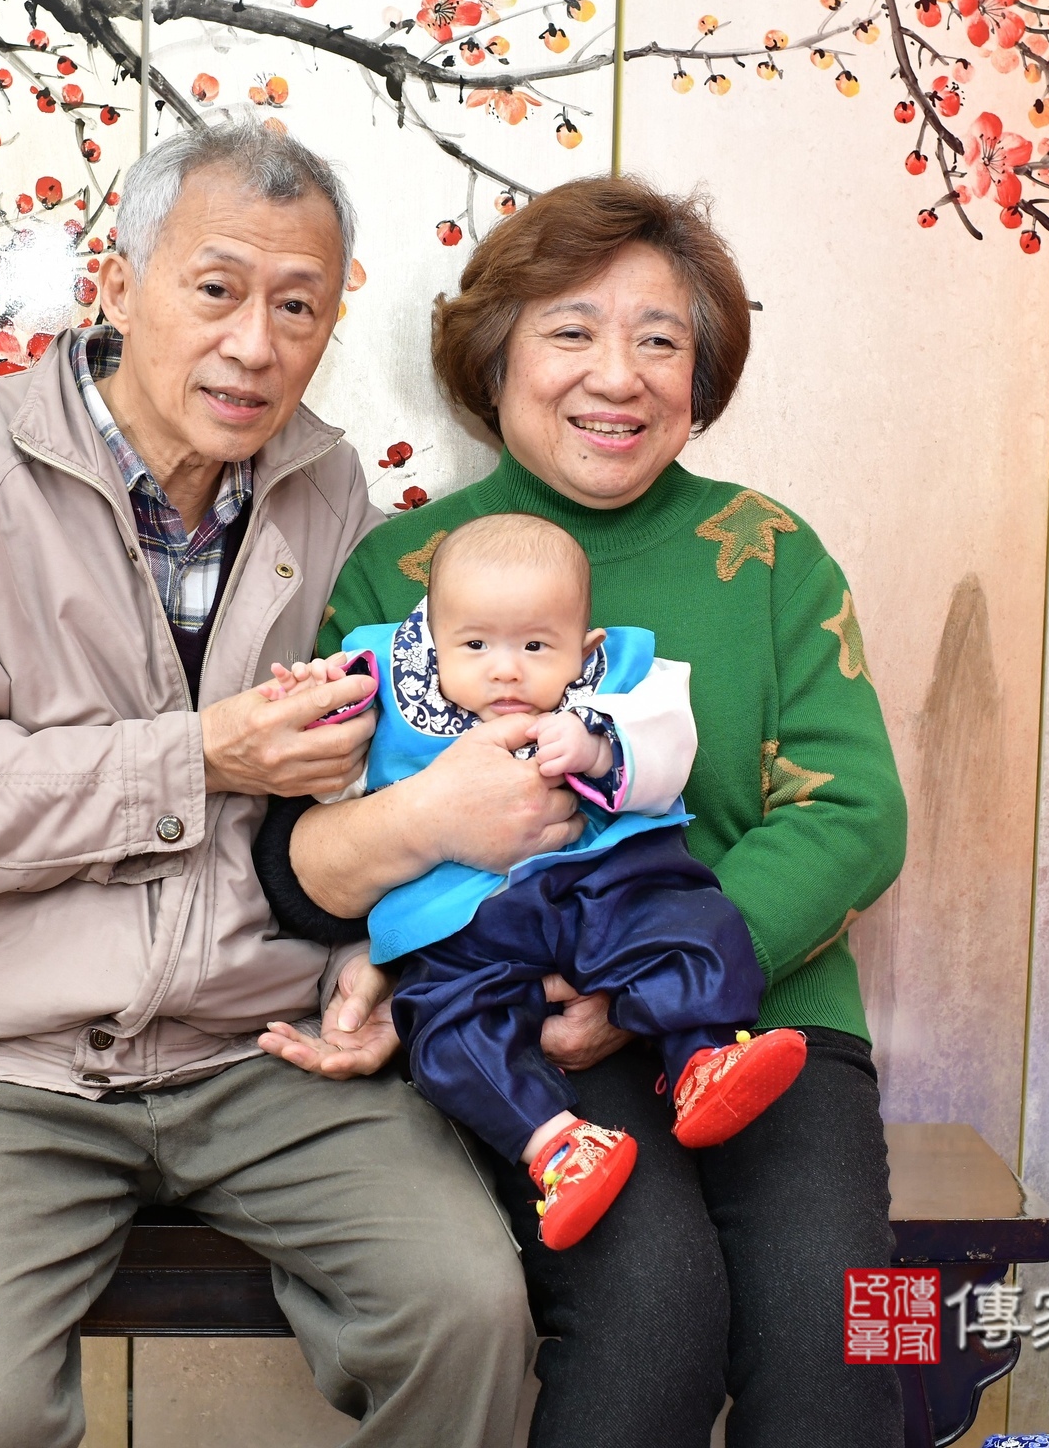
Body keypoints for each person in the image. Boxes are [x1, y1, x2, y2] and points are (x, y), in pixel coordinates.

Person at [0, 120, 531, 1448]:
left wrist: (375, 964)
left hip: (260, 1048)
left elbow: (380, 790)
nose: (255, 343)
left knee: (469, 1310)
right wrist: (196, 755)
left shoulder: (332, 504)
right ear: (118, 281)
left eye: (297, 306)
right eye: (217, 289)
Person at [254, 176, 910, 1447]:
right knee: (652, 1305)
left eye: (660, 340)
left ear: (699, 377)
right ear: (496, 356)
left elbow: (854, 814)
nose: (619, 375)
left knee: (850, 1325)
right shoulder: (403, 572)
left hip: (770, 1015)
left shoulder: (770, 551)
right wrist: (385, 956)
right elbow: (320, 828)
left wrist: (658, 973)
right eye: (571, 331)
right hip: (533, 1030)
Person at [264, 511, 808, 1252]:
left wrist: (596, 746)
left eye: (535, 646)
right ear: (429, 640)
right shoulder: (388, 678)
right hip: (460, 922)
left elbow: (669, 748)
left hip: (602, 885)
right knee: (442, 1027)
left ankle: (703, 1056)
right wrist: (320, 703)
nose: (506, 670)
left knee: (690, 920)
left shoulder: (616, 677)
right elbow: (327, 782)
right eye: (475, 645)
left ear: (583, 646)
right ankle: (556, 1146)